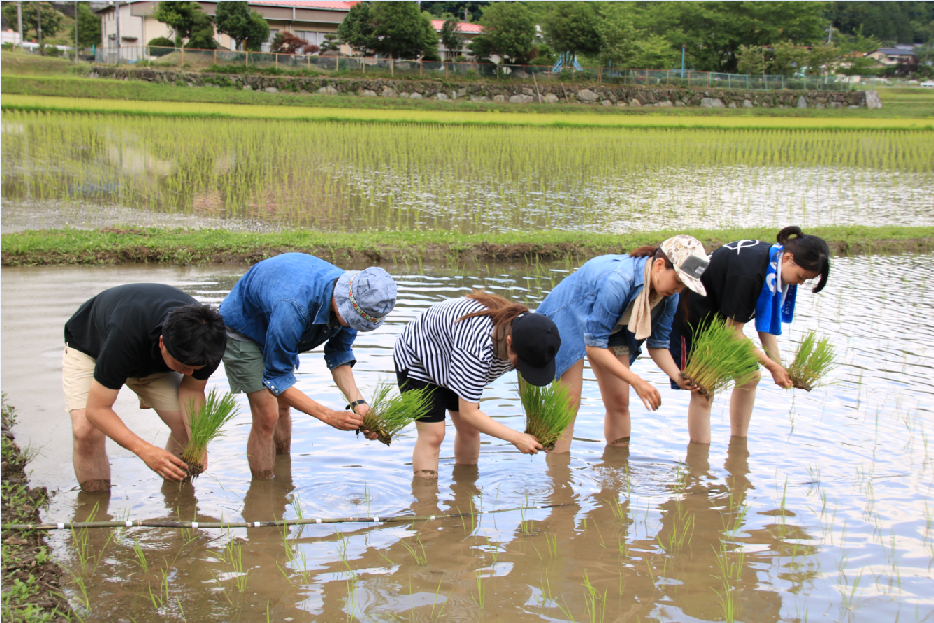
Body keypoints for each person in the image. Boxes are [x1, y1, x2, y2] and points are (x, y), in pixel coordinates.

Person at [219, 253, 397, 479]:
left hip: (280, 321)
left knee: (283, 407)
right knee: (267, 415)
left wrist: (359, 403)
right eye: (353, 320)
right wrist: (328, 416)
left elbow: (339, 354)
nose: (354, 325)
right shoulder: (293, 306)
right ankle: (263, 497)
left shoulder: (356, 301)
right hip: (245, 328)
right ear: (343, 301)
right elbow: (277, 378)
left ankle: (283, 482)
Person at [537, 235, 710, 453]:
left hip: (613, 327)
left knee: (619, 401)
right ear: (659, 265)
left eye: (684, 286)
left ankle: (617, 473)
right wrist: (638, 382)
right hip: (569, 318)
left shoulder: (668, 295)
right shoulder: (619, 281)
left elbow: (658, 344)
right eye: (678, 281)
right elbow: (594, 346)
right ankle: (560, 480)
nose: (679, 290)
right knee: (568, 404)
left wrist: (678, 376)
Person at [669, 226, 831, 444]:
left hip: (719, 317)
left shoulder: (773, 265)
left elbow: (764, 325)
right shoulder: (751, 273)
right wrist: (773, 367)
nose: (799, 284)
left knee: (750, 375)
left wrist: (778, 364)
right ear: (790, 257)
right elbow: (732, 331)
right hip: (691, 316)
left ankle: (738, 447)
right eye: (801, 277)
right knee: (703, 389)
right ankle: (699, 464)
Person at [63, 284, 227, 492]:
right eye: (183, 367)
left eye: (194, 369)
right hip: (92, 348)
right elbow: (97, 409)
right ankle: (97, 512)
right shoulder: (125, 335)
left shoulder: (209, 343)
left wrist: (198, 442)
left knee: (184, 426)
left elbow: (192, 391)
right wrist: (146, 451)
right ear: (162, 343)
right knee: (86, 431)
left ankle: (177, 505)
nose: (187, 374)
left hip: (155, 363)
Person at [393, 291, 561, 478]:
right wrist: (516, 438)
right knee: (434, 435)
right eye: (520, 363)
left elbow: (525, 379)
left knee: (470, 430)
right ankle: (425, 501)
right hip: (420, 357)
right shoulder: (478, 346)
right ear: (509, 341)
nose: (521, 368)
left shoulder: (530, 331)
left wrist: (534, 420)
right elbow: (469, 413)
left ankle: (465, 490)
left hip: (455, 352)